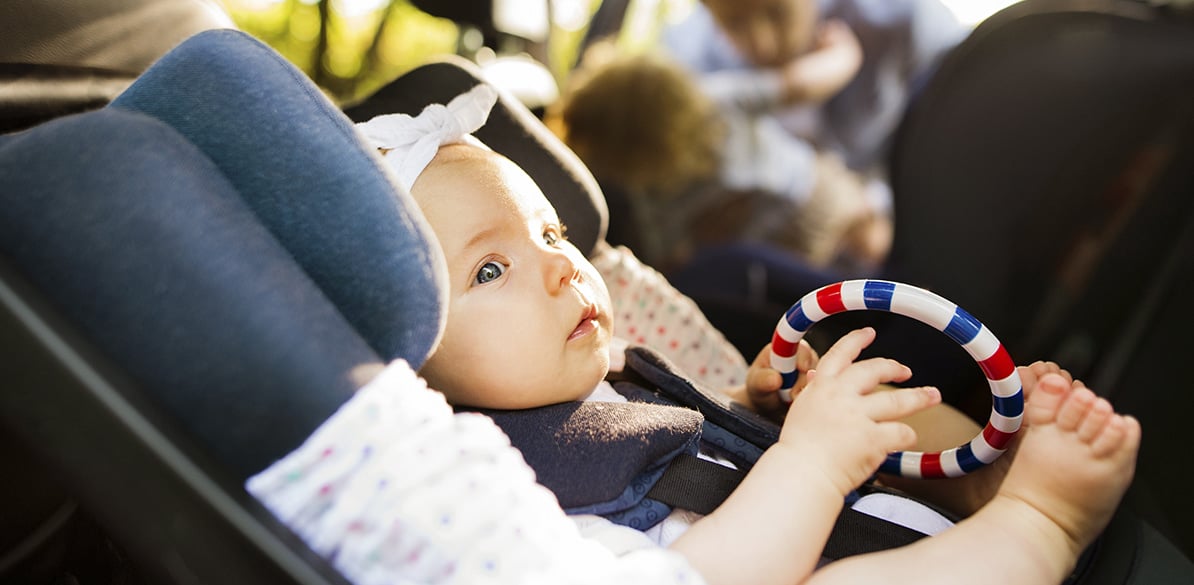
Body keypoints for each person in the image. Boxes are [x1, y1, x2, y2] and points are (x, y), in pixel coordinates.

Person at [338, 84, 1141, 585]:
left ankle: (977, 478)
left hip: (881, 522)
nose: (561, 268)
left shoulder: (613, 375)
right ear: (412, 360)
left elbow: (670, 434)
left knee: (856, 387)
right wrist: (813, 459)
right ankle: (1042, 521)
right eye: (489, 271)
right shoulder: (500, 492)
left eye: (551, 234)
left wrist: (751, 402)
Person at [554, 48, 891, 275]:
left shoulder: (652, 192)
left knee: (827, 286)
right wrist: (843, 52)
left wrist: (703, 237)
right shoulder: (715, 101)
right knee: (874, 242)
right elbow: (798, 83)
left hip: (778, 245)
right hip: (811, 191)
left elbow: (668, 257)